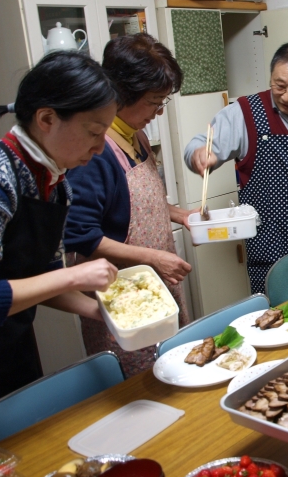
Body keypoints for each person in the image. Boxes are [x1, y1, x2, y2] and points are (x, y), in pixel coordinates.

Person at [0, 51, 119, 410]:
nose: (100, 148)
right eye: (94, 132)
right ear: (47, 118)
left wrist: (104, 313)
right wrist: (76, 277)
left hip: (11, 347)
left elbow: (43, 280)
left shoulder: (55, 185)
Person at [64, 33, 193, 377]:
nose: (158, 111)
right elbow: (80, 236)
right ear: (121, 93)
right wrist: (152, 258)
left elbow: (138, 203)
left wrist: (181, 215)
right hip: (123, 298)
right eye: (154, 101)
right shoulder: (96, 151)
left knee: (173, 368)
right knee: (139, 386)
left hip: (157, 284)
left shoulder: (135, 134)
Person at [185, 42, 288, 293]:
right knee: (276, 320)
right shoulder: (245, 112)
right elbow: (199, 145)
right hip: (269, 243)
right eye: (279, 85)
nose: (286, 96)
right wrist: (198, 155)